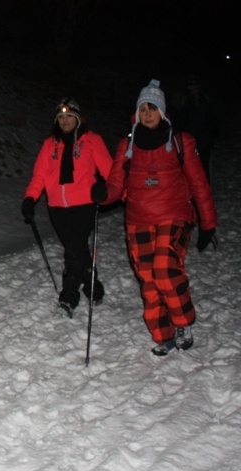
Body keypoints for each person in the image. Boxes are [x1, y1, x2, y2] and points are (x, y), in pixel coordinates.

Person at [91, 79, 217, 356]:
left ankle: (182, 323)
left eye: (152, 108)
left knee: (164, 267)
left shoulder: (181, 141)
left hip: (174, 214)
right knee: (149, 279)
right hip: (138, 218)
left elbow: (199, 184)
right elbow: (116, 184)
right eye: (142, 109)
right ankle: (164, 334)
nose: (147, 114)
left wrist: (208, 223)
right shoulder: (127, 145)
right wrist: (104, 193)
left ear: (162, 111)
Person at [21, 98, 114, 318]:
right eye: (61, 117)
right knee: (78, 251)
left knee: (73, 250)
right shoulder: (49, 145)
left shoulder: (92, 141)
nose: (65, 121)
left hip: (84, 205)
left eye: (69, 116)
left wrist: (109, 191)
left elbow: (111, 173)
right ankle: (94, 288)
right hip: (57, 208)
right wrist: (30, 198)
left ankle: (68, 297)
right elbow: (39, 176)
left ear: (78, 119)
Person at [171, 75, 219, 182]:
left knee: (204, 166)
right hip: (190, 141)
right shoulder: (184, 101)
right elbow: (179, 121)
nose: (194, 91)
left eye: (196, 88)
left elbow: (212, 119)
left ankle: (206, 185)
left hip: (205, 140)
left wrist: (213, 136)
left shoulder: (205, 100)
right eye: (192, 89)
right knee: (190, 167)